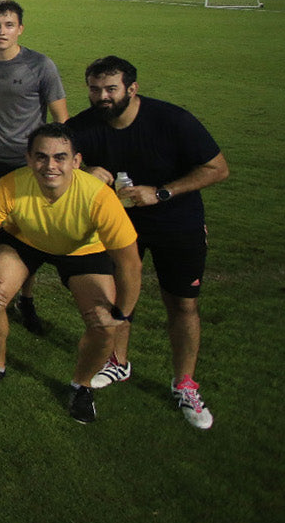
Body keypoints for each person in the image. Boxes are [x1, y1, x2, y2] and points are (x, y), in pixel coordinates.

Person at [68, 56, 229, 429]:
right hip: (119, 226)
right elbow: (54, 160)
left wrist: (162, 192)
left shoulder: (172, 120)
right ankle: (117, 362)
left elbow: (217, 168)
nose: (103, 97)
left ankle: (184, 384)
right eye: (95, 89)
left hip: (178, 224)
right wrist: (84, 170)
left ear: (132, 88)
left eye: (111, 89)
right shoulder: (82, 126)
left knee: (183, 304)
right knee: (120, 298)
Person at [0, 124, 142, 423]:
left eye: (60, 157)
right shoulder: (12, 184)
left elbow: (131, 264)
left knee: (104, 326)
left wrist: (120, 316)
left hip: (83, 250)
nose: (50, 166)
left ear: (76, 161)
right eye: (41, 157)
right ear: (29, 159)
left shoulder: (98, 197)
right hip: (25, 240)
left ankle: (81, 386)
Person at [0, 0, 68, 334]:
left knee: (25, 234)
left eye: (8, 25)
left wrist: (60, 162)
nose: (1, 31)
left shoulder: (40, 65)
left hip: (26, 164)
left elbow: (61, 119)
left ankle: (26, 297)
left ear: (20, 29)